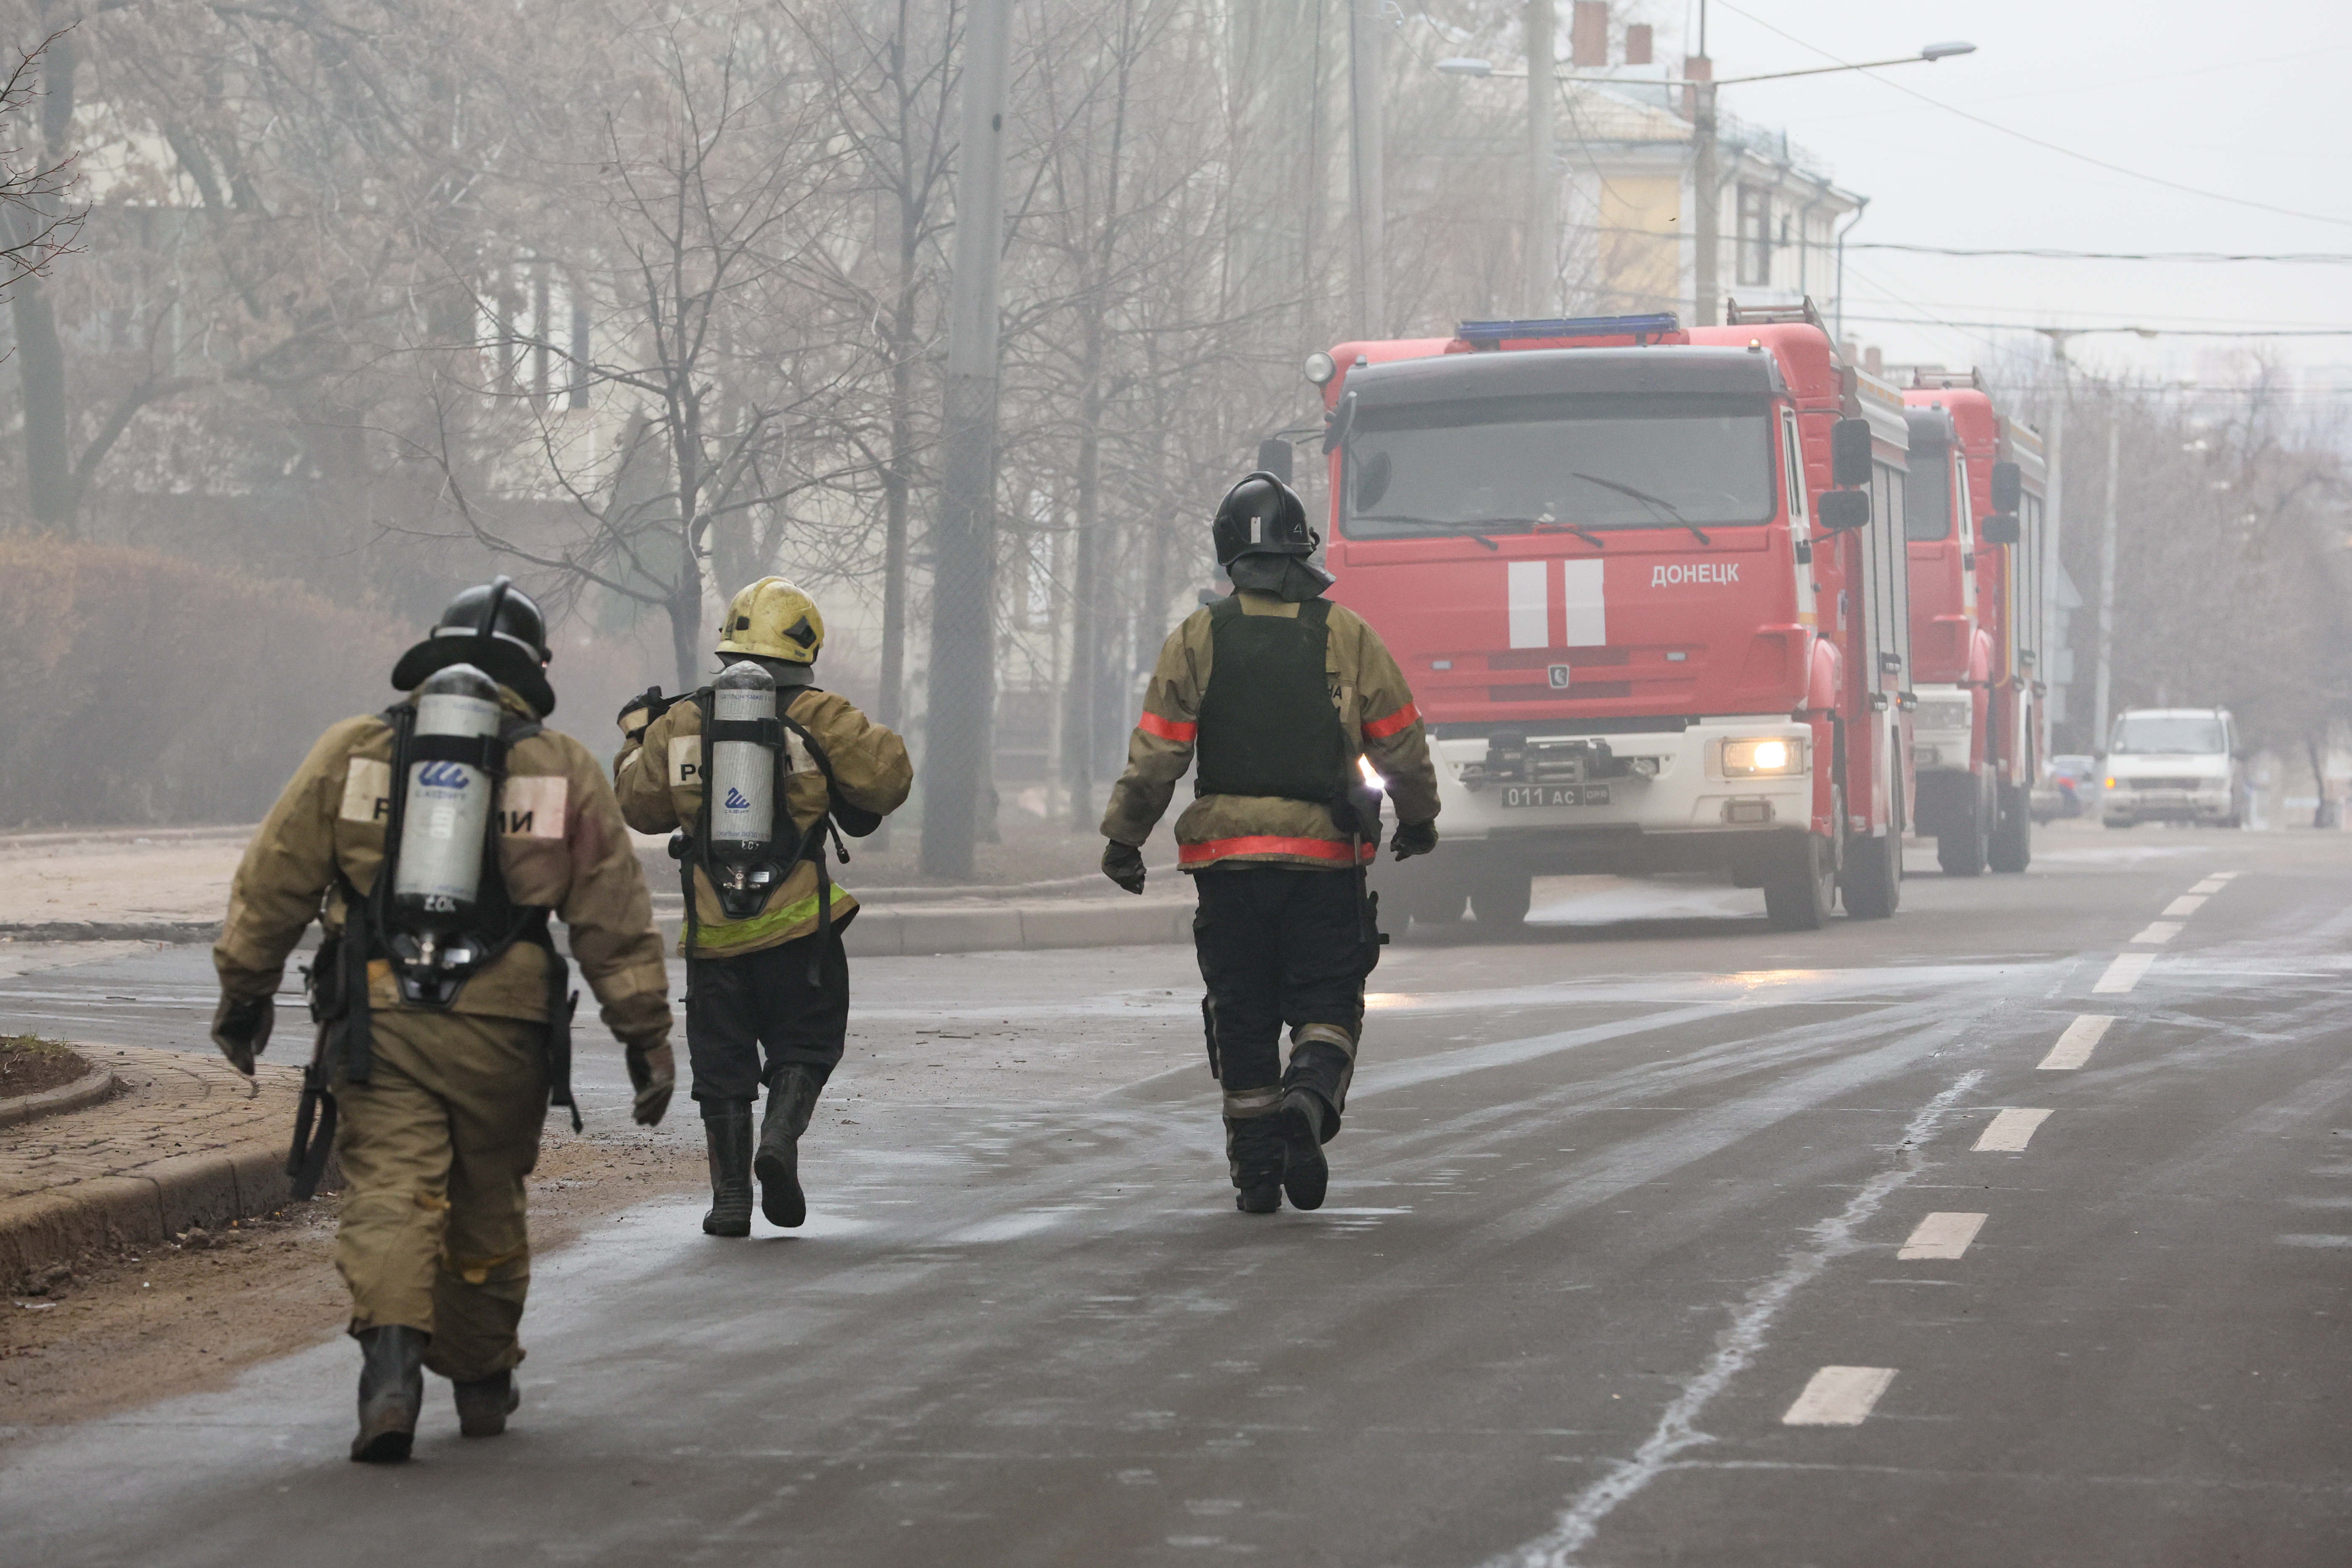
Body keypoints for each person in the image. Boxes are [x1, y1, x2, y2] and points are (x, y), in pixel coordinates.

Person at [211, 578, 676, 1463]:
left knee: (392, 1187)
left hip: (380, 1015)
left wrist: (244, 995)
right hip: (504, 1025)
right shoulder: (561, 768)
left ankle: (390, 1373)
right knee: (484, 1193)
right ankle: (483, 1381)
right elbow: (612, 920)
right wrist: (645, 1041)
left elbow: (274, 879)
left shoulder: (355, 752)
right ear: (531, 672)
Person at [1099, 472, 1440, 1214]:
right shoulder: (1346, 634)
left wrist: (1124, 840)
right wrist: (1418, 820)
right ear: (1300, 551)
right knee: (1328, 997)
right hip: (1324, 861)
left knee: (1241, 1008)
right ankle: (1310, 1099)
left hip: (1226, 866)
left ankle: (1257, 1170)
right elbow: (1400, 744)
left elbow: (1158, 755)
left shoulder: (1198, 636)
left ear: (1229, 555)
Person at [613, 577, 911, 1237]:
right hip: (800, 932)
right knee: (804, 1043)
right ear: (804, 643)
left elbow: (638, 805)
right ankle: (780, 1136)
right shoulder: (820, 713)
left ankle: (729, 1200)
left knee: (722, 1066)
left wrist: (635, 738)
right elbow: (889, 780)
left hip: (714, 936)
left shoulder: (682, 720)